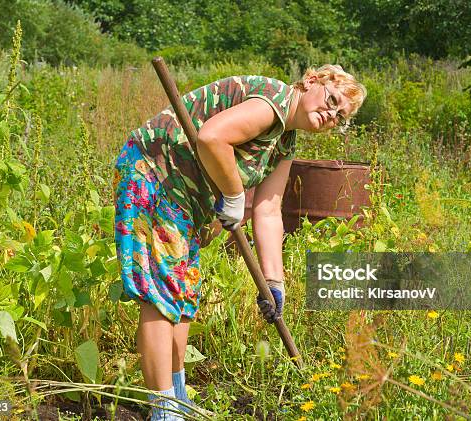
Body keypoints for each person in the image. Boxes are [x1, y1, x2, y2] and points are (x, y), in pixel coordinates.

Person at [112, 64, 367, 420]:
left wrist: (274, 281)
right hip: (155, 174)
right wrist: (234, 195)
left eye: (339, 116)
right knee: (161, 294)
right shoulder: (273, 100)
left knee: (183, 296)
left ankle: (177, 396)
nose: (330, 115)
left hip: (186, 199)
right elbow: (212, 137)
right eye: (332, 100)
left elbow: (268, 209)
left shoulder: (285, 142)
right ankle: (164, 410)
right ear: (311, 82)